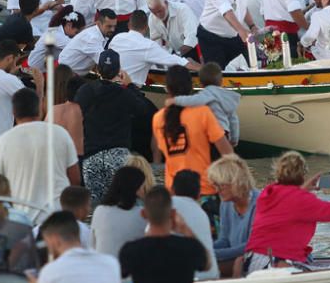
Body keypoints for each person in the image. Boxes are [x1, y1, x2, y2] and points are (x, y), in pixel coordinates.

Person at [119, 186, 234, 283]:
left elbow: (118, 276)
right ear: (173, 214)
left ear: (143, 214)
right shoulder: (188, 247)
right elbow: (208, 264)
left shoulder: (131, 250)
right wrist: (184, 228)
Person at [0, 88, 80, 223]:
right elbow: (75, 179)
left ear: (13, 112)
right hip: (57, 220)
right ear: (40, 109)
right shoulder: (60, 134)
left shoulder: (3, 141)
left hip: (21, 221)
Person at [243, 151, 330, 273]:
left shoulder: (268, 193)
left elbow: (287, 203)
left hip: (253, 260)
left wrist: (302, 189)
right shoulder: (302, 200)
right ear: (303, 175)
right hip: (276, 263)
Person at [75, 49, 150, 201]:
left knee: (97, 207)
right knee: (124, 201)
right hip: (119, 154)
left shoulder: (86, 91)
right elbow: (143, 110)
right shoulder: (124, 93)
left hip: (92, 156)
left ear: (97, 69)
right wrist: (130, 85)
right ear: (118, 70)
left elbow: (77, 112)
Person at [153, 65, 234, 196]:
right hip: (204, 190)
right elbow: (227, 152)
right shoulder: (203, 112)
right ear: (192, 87)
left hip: (173, 193)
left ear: (167, 88)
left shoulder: (158, 118)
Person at [106, 10, 197, 86]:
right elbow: (176, 61)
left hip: (109, 87)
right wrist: (202, 69)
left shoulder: (117, 38)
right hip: (128, 92)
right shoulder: (148, 46)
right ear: (146, 27)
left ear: (129, 25)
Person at [207, 154, 259, 278]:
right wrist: (204, 248)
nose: (217, 190)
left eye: (221, 185)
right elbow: (224, 240)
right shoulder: (226, 204)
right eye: (215, 185)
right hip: (235, 257)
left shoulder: (259, 203)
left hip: (254, 257)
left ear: (236, 182)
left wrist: (211, 254)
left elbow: (251, 245)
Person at [170, 62, 241, 145]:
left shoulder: (206, 94)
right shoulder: (227, 98)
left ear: (201, 83)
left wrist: (175, 100)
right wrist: (234, 139)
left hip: (209, 133)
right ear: (221, 81)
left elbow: (193, 100)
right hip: (223, 133)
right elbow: (233, 121)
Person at [90, 166, 147, 257]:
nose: (144, 190)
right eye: (142, 186)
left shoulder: (100, 210)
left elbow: (93, 244)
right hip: (128, 267)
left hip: (103, 265)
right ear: (136, 188)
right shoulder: (142, 214)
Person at [172, 170, 219, 280]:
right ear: (199, 194)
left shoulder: (167, 205)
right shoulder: (203, 214)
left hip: (182, 280)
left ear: (172, 190)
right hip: (210, 275)